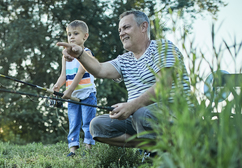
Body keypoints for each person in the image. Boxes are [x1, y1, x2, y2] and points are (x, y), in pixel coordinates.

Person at [57, 10, 191, 149]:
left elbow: (165, 85)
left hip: (174, 114)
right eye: (119, 30)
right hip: (139, 118)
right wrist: (80, 54)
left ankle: (165, 151)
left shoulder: (162, 47)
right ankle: (151, 146)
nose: (121, 33)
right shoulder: (124, 60)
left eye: (126, 27)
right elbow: (99, 70)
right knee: (97, 125)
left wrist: (132, 106)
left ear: (143, 27)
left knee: (141, 113)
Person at [52, 20, 97, 157]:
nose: (71, 37)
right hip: (71, 96)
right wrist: (57, 86)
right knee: (74, 122)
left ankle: (88, 149)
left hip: (87, 94)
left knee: (88, 123)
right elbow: (63, 75)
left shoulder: (87, 54)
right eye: (69, 34)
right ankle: (72, 150)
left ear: (85, 36)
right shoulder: (65, 56)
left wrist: (69, 90)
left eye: (76, 33)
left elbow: (80, 73)